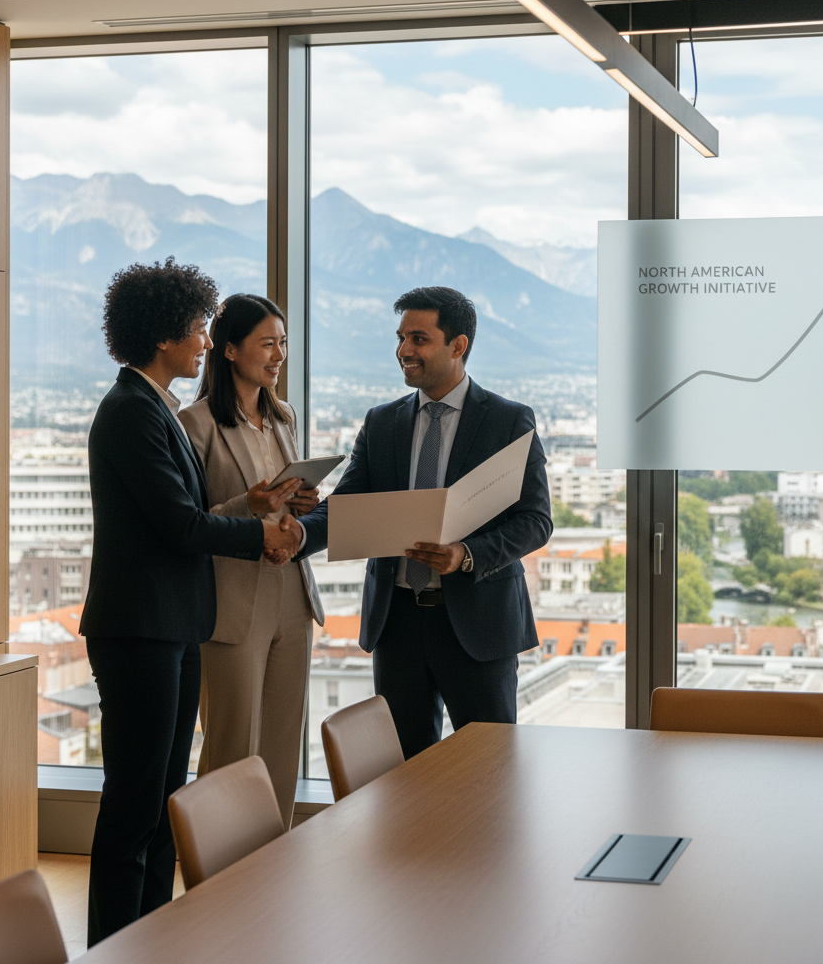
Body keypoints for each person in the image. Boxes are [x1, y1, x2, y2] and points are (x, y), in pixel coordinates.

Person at [81, 259, 300, 947]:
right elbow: (181, 524)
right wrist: (260, 531)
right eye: (199, 328)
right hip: (140, 630)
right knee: (133, 807)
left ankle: (156, 937)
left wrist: (254, 507)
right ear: (162, 334)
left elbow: (186, 514)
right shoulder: (129, 412)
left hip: (172, 625)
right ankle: (116, 944)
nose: (205, 341)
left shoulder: (155, 407)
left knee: (163, 800)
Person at [298, 286, 552, 759]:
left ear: (458, 346)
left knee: (489, 770)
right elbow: (346, 505)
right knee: (402, 775)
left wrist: (467, 554)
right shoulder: (381, 423)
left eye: (418, 338)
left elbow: (536, 520)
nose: (403, 351)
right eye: (400, 338)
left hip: (478, 625)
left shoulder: (508, 421)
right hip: (396, 624)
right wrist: (296, 536)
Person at [178, 294, 324, 827]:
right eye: (268, 344)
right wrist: (251, 506)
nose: (279, 355)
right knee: (232, 746)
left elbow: (285, 500)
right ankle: (216, 879)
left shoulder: (282, 416)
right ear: (231, 350)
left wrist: (301, 502)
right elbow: (191, 521)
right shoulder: (195, 425)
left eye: (283, 343)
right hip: (232, 597)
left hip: (290, 590)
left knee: (283, 742)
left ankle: (273, 868)